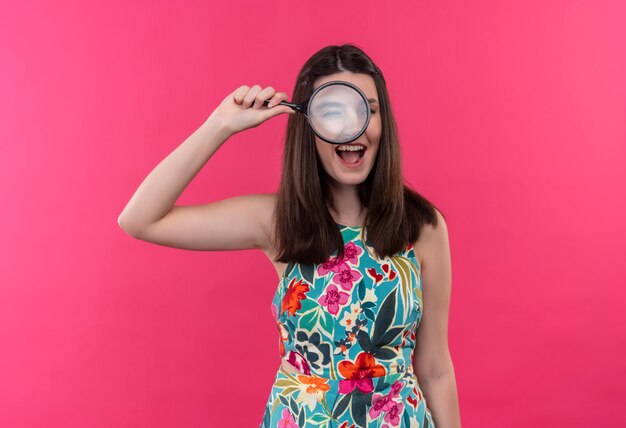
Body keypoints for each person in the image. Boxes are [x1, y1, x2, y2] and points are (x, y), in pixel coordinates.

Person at [118, 44, 461, 428]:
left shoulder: (423, 226)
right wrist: (220, 124)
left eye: (369, 109)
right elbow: (140, 219)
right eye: (333, 112)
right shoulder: (279, 221)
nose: (355, 127)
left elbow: (435, 370)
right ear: (309, 125)